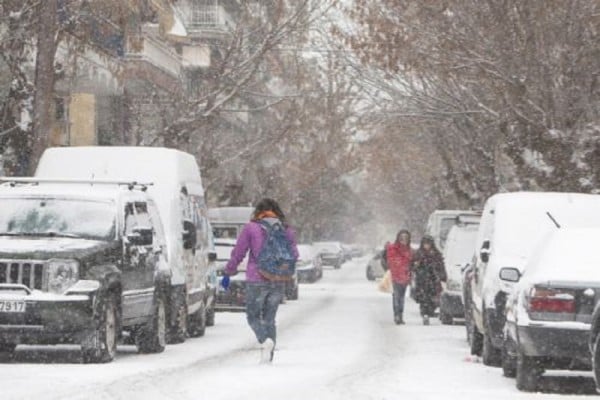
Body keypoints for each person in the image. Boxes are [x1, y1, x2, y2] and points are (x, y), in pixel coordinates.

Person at [222, 198, 299, 363]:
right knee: (270, 319)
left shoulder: (251, 228)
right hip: (278, 279)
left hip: (256, 279)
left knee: (253, 317)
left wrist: (229, 271)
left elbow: (239, 252)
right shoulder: (286, 230)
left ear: (258, 212)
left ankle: (265, 341)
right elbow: (295, 255)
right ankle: (268, 357)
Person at [412, 235, 447, 325]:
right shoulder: (419, 253)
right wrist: (416, 266)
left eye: (428, 244)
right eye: (425, 244)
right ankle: (425, 314)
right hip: (422, 280)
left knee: (432, 298)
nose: (426, 246)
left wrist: (442, 275)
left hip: (433, 280)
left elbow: (440, 265)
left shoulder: (436, 253)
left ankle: (429, 312)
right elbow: (413, 265)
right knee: (424, 299)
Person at [382, 230, 412, 325]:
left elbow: (411, 262)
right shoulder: (392, 248)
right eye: (402, 238)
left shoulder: (409, 250)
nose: (404, 240)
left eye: (405, 238)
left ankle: (400, 315)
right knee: (396, 297)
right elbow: (387, 260)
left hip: (404, 277)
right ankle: (397, 316)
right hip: (395, 276)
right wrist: (389, 269)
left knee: (401, 298)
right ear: (398, 238)